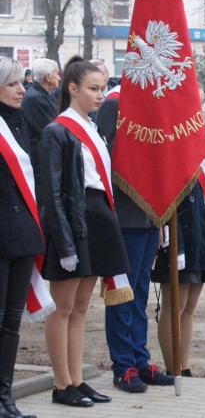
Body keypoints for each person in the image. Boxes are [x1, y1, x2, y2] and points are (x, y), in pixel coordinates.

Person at [40, 56, 131, 406]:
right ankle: (61, 384)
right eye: (93, 88)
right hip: (73, 223)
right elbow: (52, 192)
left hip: (96, 219)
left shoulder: (92, 128)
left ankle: (77, 379)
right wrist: (64, 243)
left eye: (103, 87)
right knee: (61, 308)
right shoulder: (57, 131)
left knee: (80, 308)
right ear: (72, 88)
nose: (100, 94)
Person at [96, 79, 175, 394]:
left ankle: (139, 359)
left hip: (148, 216)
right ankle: (123, 365)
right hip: (124, 214)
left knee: (140, 293)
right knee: (122, 294)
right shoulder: (115, 105)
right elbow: (106, 160)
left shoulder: (156, 109)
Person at [151, 155, 205, 375]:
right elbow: (168, 203)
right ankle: (174, 367)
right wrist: (176, 243)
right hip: (181, 238)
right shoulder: (177, 153)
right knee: (174, 307)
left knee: (189, 308)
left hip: (203, 235)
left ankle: (185, 364)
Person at [0, 57, 42, 418]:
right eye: (13, 83)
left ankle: (5, 397)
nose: (21, 90)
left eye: (22, 83)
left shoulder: (19, 122)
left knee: (12, 322)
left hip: (22, 236)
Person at [20, 58, 60, 188]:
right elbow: (51, 128)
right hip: (40, 159)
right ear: (48, 77)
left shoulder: (44, 94)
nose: (59, 78)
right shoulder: (35, 98)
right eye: (57, 73)